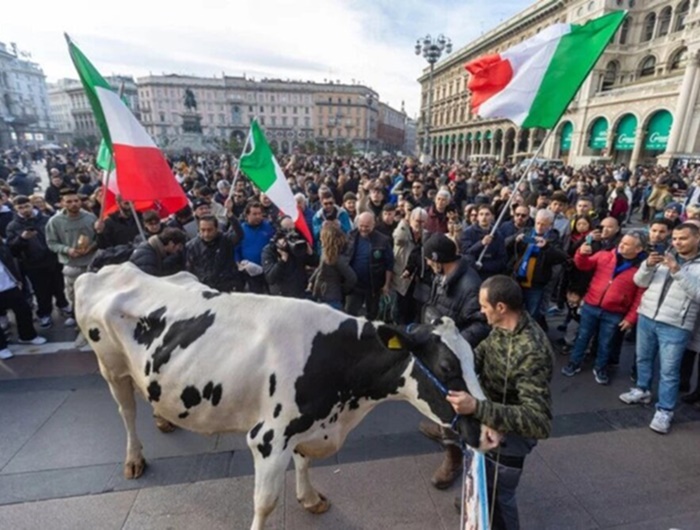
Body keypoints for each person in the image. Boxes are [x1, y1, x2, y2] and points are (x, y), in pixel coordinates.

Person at [446, 275, 552, 530]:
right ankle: (475, 504)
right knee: (484, 489)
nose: (481, 312)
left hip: (510, 443)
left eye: (484, 306)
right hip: (492, 427)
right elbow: (482, 356)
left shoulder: (530, 350)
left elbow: (539, 421)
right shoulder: (503, 327)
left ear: (501, 307)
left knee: (499, 502)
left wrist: (478, 408)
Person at [418, 233, 490, 490]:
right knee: (437, 399)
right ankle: (441, 427)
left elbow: (481, 325)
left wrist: (453, 345)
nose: (427, 264)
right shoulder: (444, 273)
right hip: (440, 349)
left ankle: (453, 458)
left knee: (453, 405)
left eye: (429, 259)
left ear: (438, 259)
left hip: (454, 358)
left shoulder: (470, 284)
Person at [620, 223, 700, 434]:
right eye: (674, 239)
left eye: (682, 238)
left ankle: (665, 410)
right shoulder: (664, 255)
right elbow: (639, 281)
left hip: (675, 324)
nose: (677, 243)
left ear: (697, 238)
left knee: (669, 371)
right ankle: (642, 389)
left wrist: (677, 270)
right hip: (647, 315)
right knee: (643, 358)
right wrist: (647, 265)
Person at [561, 232, 647, 385]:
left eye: (627, 244)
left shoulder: (641, 270)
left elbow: (639, 297)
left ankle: (600, 367)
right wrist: (581, 253)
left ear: (638, 249)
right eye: (622, 242)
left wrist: (630, 319)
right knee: (582, 337)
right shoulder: (604, 255)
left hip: (615, 312)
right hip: (591, 305)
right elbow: (583, 265)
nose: (621, 245)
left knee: (606, 342)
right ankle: (574, 362)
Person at [6, 195, 70, 328]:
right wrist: (22, 239)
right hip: (33, 264)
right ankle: (44, 314)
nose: (24, 210)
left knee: (59, 286)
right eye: (20, 208)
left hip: (52, 260)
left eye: (26, 206)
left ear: (31, 205)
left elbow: (58, 236)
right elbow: (12, 249)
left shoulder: (46, 220)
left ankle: (62, 305)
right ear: (16, 209)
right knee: (41, 292)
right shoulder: (13, 226)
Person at [45, 188, 98, 327]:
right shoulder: (55, 221)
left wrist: (91, 246)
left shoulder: (90, 217)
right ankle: (76, 317)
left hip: (92, 263)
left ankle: (95, 317)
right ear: (62, 203)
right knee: (74, 294)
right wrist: (67, 250)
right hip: (72, 265)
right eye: (69, 201)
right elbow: (51, 243)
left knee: (94, 292)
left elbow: (98, 238)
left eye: (76, 200)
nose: (74, 204)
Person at [508, 209, 568, 322]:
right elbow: (506, 246)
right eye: (538, 223)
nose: (540, 227)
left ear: (550, 225)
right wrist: (514, 239)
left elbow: (561, 257)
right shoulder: (526, 231)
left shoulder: (553, 238)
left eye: (544, 224)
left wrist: (546, 247)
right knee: (514, 311)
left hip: (536, 284)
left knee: (532, 314)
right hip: (518, 279)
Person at [0, 240, 48, 360]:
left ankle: (27, 336)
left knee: (23, 309)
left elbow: (10, 262)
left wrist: (17, 279)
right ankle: (1, 347)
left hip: (9, 285)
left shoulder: (2, 246)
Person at [344, 212, 394, 320]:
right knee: (349, 313)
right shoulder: (351, 236)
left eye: (366, 226)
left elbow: (389, 264)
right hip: (354, 284)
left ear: (373, 224)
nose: (363, 229)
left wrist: (386, 285)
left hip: (373, 285)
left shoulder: (383, 240)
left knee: (372, 315)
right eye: (361, 225)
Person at [187, 215, 244, 293]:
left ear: (216, 229)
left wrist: (231, 217)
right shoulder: (192, 246)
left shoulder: (226, 240)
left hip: (227, 286)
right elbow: (190, 268)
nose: (206, 234)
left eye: (209, 230)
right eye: (203, 230)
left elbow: (239, 235)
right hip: (205, 288)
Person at [262, 217, 316, 298]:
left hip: (300, 293)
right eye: (287, 230)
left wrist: (311, 253)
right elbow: (270, 278)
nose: (291, 233)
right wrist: (282, 260)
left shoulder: (298, 245)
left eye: (293, 229)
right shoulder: (270, 250)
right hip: (281, 296)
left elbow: (315, 263)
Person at [392, 207, 428, 324]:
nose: (420, 225)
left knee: (413, 310)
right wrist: (404, 221)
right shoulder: (403, 231)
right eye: (417, 221)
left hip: (417, 278)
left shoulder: (425, 235)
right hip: (401, 276)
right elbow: (398, 239)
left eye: (423, 222)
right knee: (399, 309)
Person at [308, 222, 357, 310]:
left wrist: (342, 289)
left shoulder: (338, 259)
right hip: (321, 294)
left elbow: (352, 278)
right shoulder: (325, 252)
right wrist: (311, 280)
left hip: (332, 298)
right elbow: (320, 267)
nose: (320, 239)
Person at [235, 202, 275, 294]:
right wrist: (238, 263)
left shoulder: (268, 227)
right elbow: (236, 250)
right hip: (250, 272)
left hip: (267, 269)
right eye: (254, 214)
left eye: (259, 214)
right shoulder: (240, 230)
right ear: (247, 215)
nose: (258, 216)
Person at [460, 204, 507, 280]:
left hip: (491, 275)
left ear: (492, 217)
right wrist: (481, 243)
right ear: (478, 217)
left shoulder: (498, 235)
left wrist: (484, 266)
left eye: (487, 214)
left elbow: (502, 260)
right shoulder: (468, 232)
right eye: (481, 214)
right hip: (473, 275)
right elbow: (466, 252)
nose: (484, 217)